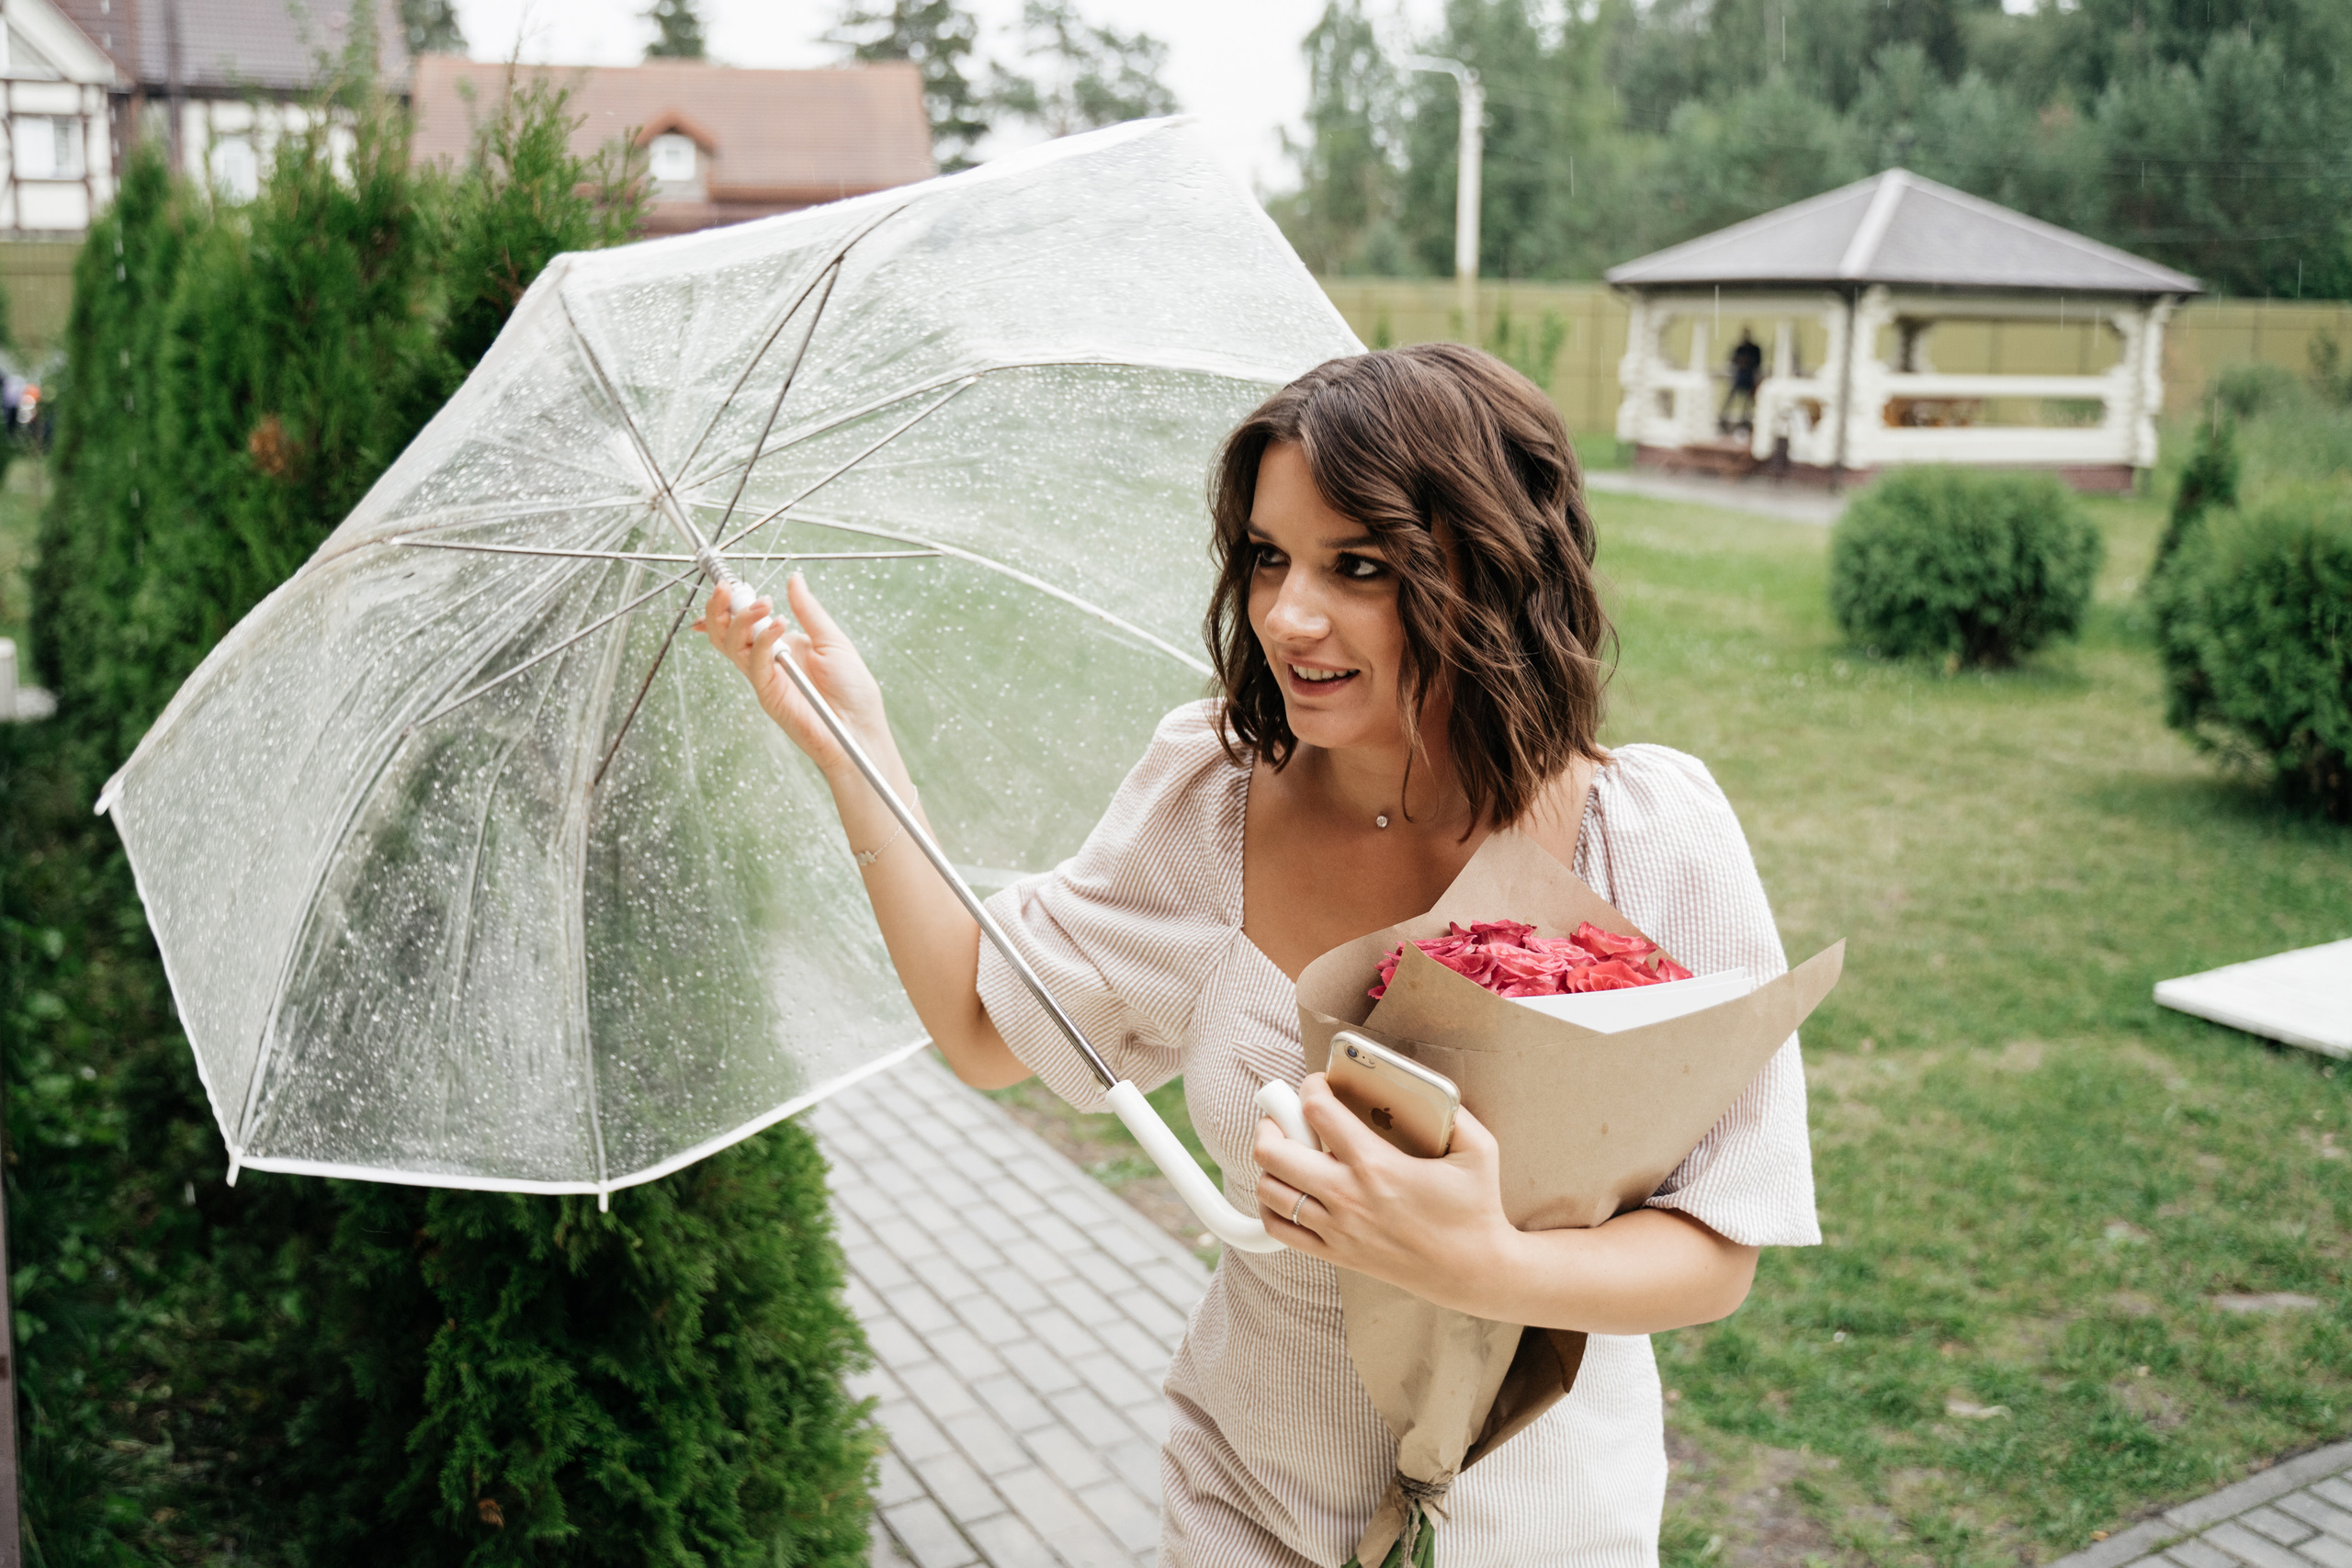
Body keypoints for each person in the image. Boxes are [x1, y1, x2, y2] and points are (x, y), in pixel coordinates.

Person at [700, 344, 1817, 1567]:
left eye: (1359, 565)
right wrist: (855, 750)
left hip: (1545, 1522)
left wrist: (1482, 1259)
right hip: (1250, 1506)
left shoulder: (1649, 837)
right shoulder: (1210, 795)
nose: (1287, 614)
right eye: (1268, 556)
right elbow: (981, 1029)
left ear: (1487, 567)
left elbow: (1716, 1247)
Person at [1721, 328, 1763, 433]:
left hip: (1749, 378)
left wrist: (1747, 362)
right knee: (1730, 399)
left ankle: (1745, 421)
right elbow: (1733, 360)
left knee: (1748, 404)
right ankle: (1723, 418)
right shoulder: (1739, 348)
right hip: (1739, 377)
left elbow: (1758, 363)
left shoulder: (1754, 349)